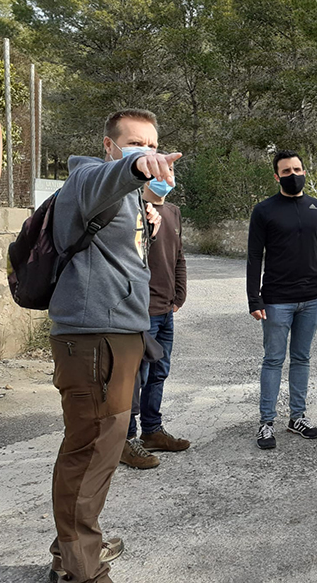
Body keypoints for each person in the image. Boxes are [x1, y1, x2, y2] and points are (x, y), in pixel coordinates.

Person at [47, 108, 180, 583]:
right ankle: (81, 569)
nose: (146, 151)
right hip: (93, 336)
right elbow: (102, 181)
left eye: (152, 144)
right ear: (109, 146)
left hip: (117, 335)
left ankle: (74, 547)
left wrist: (148, 223)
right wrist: (135, 168)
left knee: (102, 448)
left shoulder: (127, 199)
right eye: (134, 144)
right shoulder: (87, 176)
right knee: (89, 450)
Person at [247, 150, 317, 449]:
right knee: (273, 360)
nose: (293, 175)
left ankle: (297, 417)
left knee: (302, 358)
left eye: (297, 169)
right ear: (276, 176)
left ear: (304, 171)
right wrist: (254, 299)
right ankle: (266, 423)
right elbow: (253, 257)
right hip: (276, 300)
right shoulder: (264, 211)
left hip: (311, 298)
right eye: (286, 171)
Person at [119, 172, 190, 469]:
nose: (167, 179)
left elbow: (178, 257)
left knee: (159, 373)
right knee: (135, 378)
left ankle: (152, 431)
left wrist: (179, 296)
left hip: (165, 310)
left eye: (170, 175)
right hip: (141, 312)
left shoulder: (173, 212)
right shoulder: (133, 208)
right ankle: (127, 439)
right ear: (147, 178)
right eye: (161, 175)